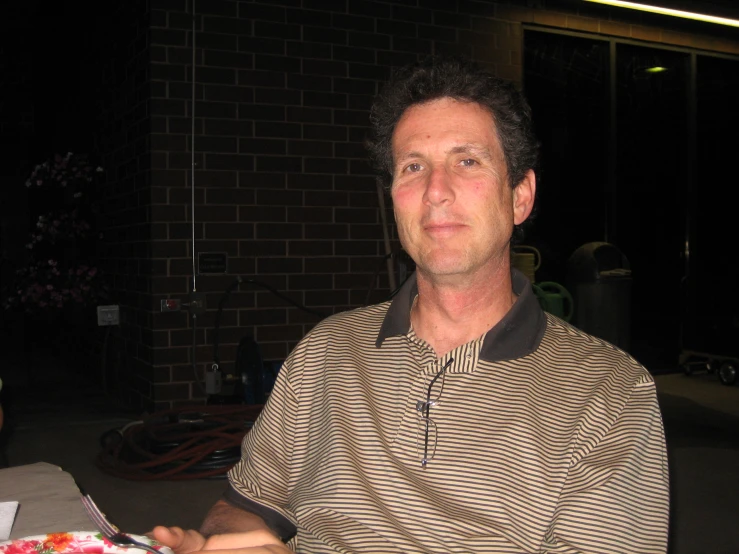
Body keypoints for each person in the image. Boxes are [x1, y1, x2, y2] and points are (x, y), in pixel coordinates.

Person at [153, 57, 669, 553]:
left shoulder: (611, 393)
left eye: (467, 161)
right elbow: (246, 504)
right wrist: (228, 541)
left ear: (520, 197)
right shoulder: (326, 353)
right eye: (413, 167)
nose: (435, 191)